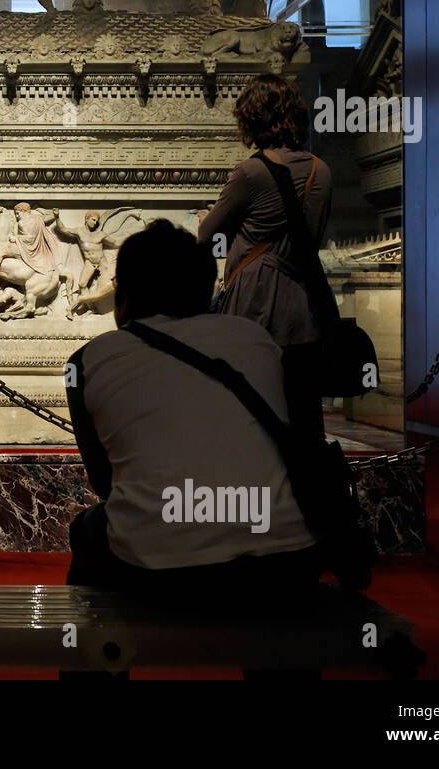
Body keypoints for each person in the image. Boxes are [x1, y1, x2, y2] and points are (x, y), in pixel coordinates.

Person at [65, 220, 320, 608]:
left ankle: (96, 656)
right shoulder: (256, 339)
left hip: (156, 570)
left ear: (125, 296)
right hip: (284, 562)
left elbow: (106, 482)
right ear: (207, 291)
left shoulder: (89, 360)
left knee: (87, 529)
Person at [198, 73, 332, 445]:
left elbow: (208, 236)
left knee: (247, 417)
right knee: (304, 422)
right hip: (305, 308)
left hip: (253, 304)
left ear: (251, 119)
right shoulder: (322, 171)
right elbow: (315, 236)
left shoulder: (250, 172)